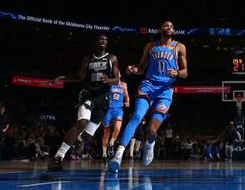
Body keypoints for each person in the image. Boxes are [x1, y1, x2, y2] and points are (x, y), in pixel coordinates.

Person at [109, 20, 188, 173]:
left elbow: (185, 72)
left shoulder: (179, 47)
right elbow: (141, 68)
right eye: (166, 25)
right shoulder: (151, 46)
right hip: (149, 86)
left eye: (172, 26)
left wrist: (177, 73)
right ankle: (118, 155)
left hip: (165, 90)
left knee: (152, 131)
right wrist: (133, 70)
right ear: (160, 29)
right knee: (137, 116)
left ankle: (150, 144)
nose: (169, 28)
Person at [48, 34, 121, 171]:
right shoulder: (88, 59)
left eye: (105, 40)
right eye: (100, 39)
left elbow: (117, 80)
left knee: (86, 136)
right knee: (82, 123)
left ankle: (77, 141)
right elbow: (79, 76)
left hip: (103, 99)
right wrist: (62, 78)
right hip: (88, 95)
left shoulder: (112, 58)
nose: (103, 41)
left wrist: (108, 80)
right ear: (96, 42)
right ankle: (58, 157)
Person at [101, 79, 130, 161]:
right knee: (106, 133)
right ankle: (104, 154)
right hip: (108, 110)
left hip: (118, 110)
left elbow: (127, 95)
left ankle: (112, 142)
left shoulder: (124, 84)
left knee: (117, 128)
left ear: (120, 75)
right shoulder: (109, 83)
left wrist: (127, 101)